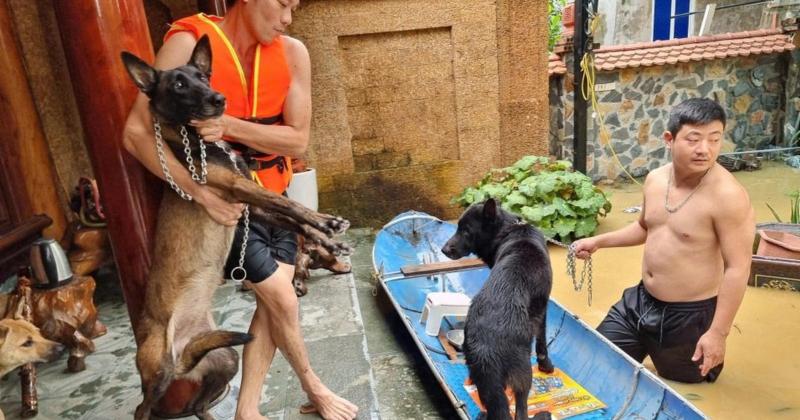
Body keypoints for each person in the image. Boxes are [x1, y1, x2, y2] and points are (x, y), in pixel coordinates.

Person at [121, 0, 358, 419]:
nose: (288, 17)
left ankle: (246, 410)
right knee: (283, 299)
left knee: (271, 309)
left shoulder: (293, 52)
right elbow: (138, 133)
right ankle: (315, 388)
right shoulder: (187, 40)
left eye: (294, 7)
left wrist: (228, 125)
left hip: (275, 192)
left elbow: (296, 140)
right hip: (225, 204)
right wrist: (198, 192)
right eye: (282, 4)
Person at [572, 98, 755, 384]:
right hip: (640, 302)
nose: (704, 149)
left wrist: (718, 333)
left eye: (714, 139)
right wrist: (599, 241)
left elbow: (738, 268)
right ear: (669, 139)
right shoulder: (656, 179)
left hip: (689, 316)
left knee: (685, 387)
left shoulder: (728, 196)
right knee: (595, 359)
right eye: (693, 139)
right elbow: (646, 227)